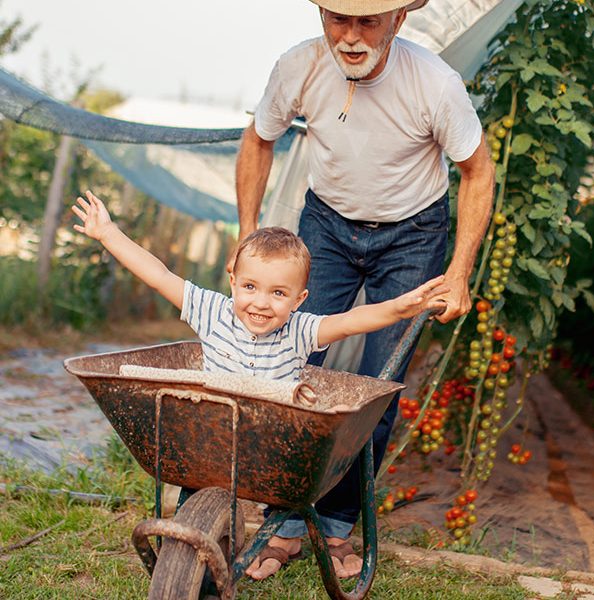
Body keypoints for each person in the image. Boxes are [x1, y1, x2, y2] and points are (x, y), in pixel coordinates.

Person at [235, 0, 494, 579]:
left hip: (412, 234)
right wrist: (248, 233)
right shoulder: (297, 67)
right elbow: (258, 140)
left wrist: (458, 272)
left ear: (397, 21)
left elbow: (478, 169)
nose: (350, 37)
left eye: (367, 22)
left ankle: (335, 523)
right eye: (337, 19)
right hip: (325, 225)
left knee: (377, 386)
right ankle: (286, 521)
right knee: (290, 367)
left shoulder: (434, 84)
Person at [70, 190, 449, 377]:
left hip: (273, 440)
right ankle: (194, 512)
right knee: (195, 465)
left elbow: (352, 320)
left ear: (300, 299)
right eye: (250, 287)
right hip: (212, 429)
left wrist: (402, 307)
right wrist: (108, 234)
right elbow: (159, 276)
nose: (261, 303)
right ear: (232, 281)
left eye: (279, 293)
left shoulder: (300, 331)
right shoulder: (212, 311)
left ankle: (287, 522)